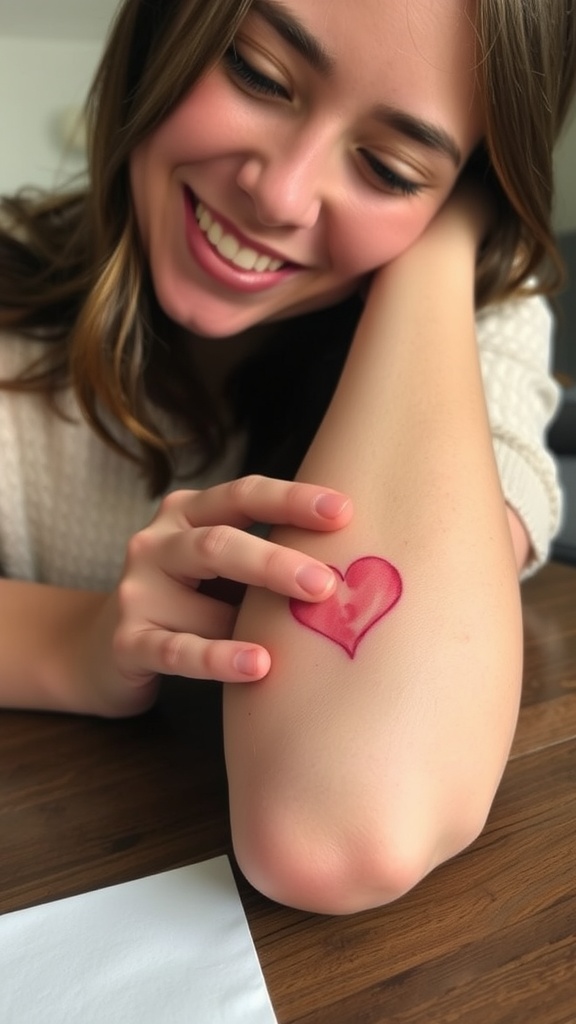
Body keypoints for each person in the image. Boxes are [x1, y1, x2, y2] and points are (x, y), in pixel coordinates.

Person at [0, 0, 574, 914]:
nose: (281, 193)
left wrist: (447, 235)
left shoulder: (475, 330)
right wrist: (78, 643)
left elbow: (344, 826)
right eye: (259, 74)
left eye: (389, 166)